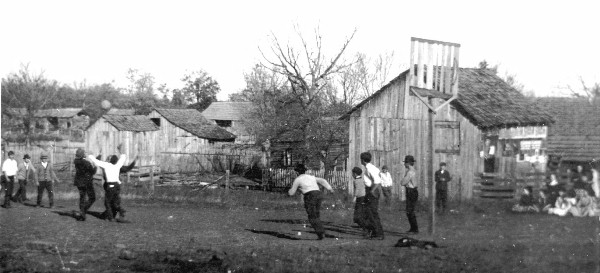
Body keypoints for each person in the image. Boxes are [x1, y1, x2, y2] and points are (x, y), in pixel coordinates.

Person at [288, 164, 334, 240]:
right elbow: (322, 180)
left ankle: (321, 232)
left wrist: (289, 191)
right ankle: (320, 232)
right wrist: (330, 188)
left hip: (310, 196)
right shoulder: (311, 177)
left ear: (297, 172)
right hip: (318, 194)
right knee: (316, 214)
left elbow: (291, 193)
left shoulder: (297, 179)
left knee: (312, 216)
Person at [87, 144, 128, 222]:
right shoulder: (118, 165)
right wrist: (120, 150)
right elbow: (123, 157)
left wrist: (90, 155)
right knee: (115, 201)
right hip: (117, 185)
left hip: (110, 185)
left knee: (107, 202)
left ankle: (111, 217)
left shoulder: (107, 165)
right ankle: (121, 210)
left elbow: (97, 162)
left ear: (110, 160)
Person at [360, 152, 384, 240]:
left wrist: (371, 192)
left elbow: (377, 181)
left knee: (373, 213)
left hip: (372, 190)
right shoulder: (369, 167)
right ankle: (373, 232)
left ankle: (379, 234)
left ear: (362, 160)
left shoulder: (370, 168)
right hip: (370, 190)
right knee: (368, 213)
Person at [73, 148, 98, 221]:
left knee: (82, 198)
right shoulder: (86, 163)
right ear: (82, 155)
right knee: (92, 198)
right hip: (87, 182)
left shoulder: (76, 161)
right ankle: (83, 211)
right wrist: (95, 165)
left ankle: (82, 213)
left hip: (79, 182)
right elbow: (93, 171)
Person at [401, 155, 419, 234]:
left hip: (411, 191)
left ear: (408, 163)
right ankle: (413, 228)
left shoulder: (410, 172)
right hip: (411, 191)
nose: (404, 164)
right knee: (409, 211)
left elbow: (403, 182)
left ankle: (414, 229)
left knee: (410, 211)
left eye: (405, 163)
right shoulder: (412, 171)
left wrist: (403, 180)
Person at [351, 167, 369, 237]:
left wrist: (355, 197)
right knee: (361, 213)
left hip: (359, 198)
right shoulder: (362, 179)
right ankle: (364, 226)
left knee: (357, 215)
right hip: (364, 197)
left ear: (355, 174)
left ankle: (365, 228)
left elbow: (357, 189)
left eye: (352, 173)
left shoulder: (356, 181)